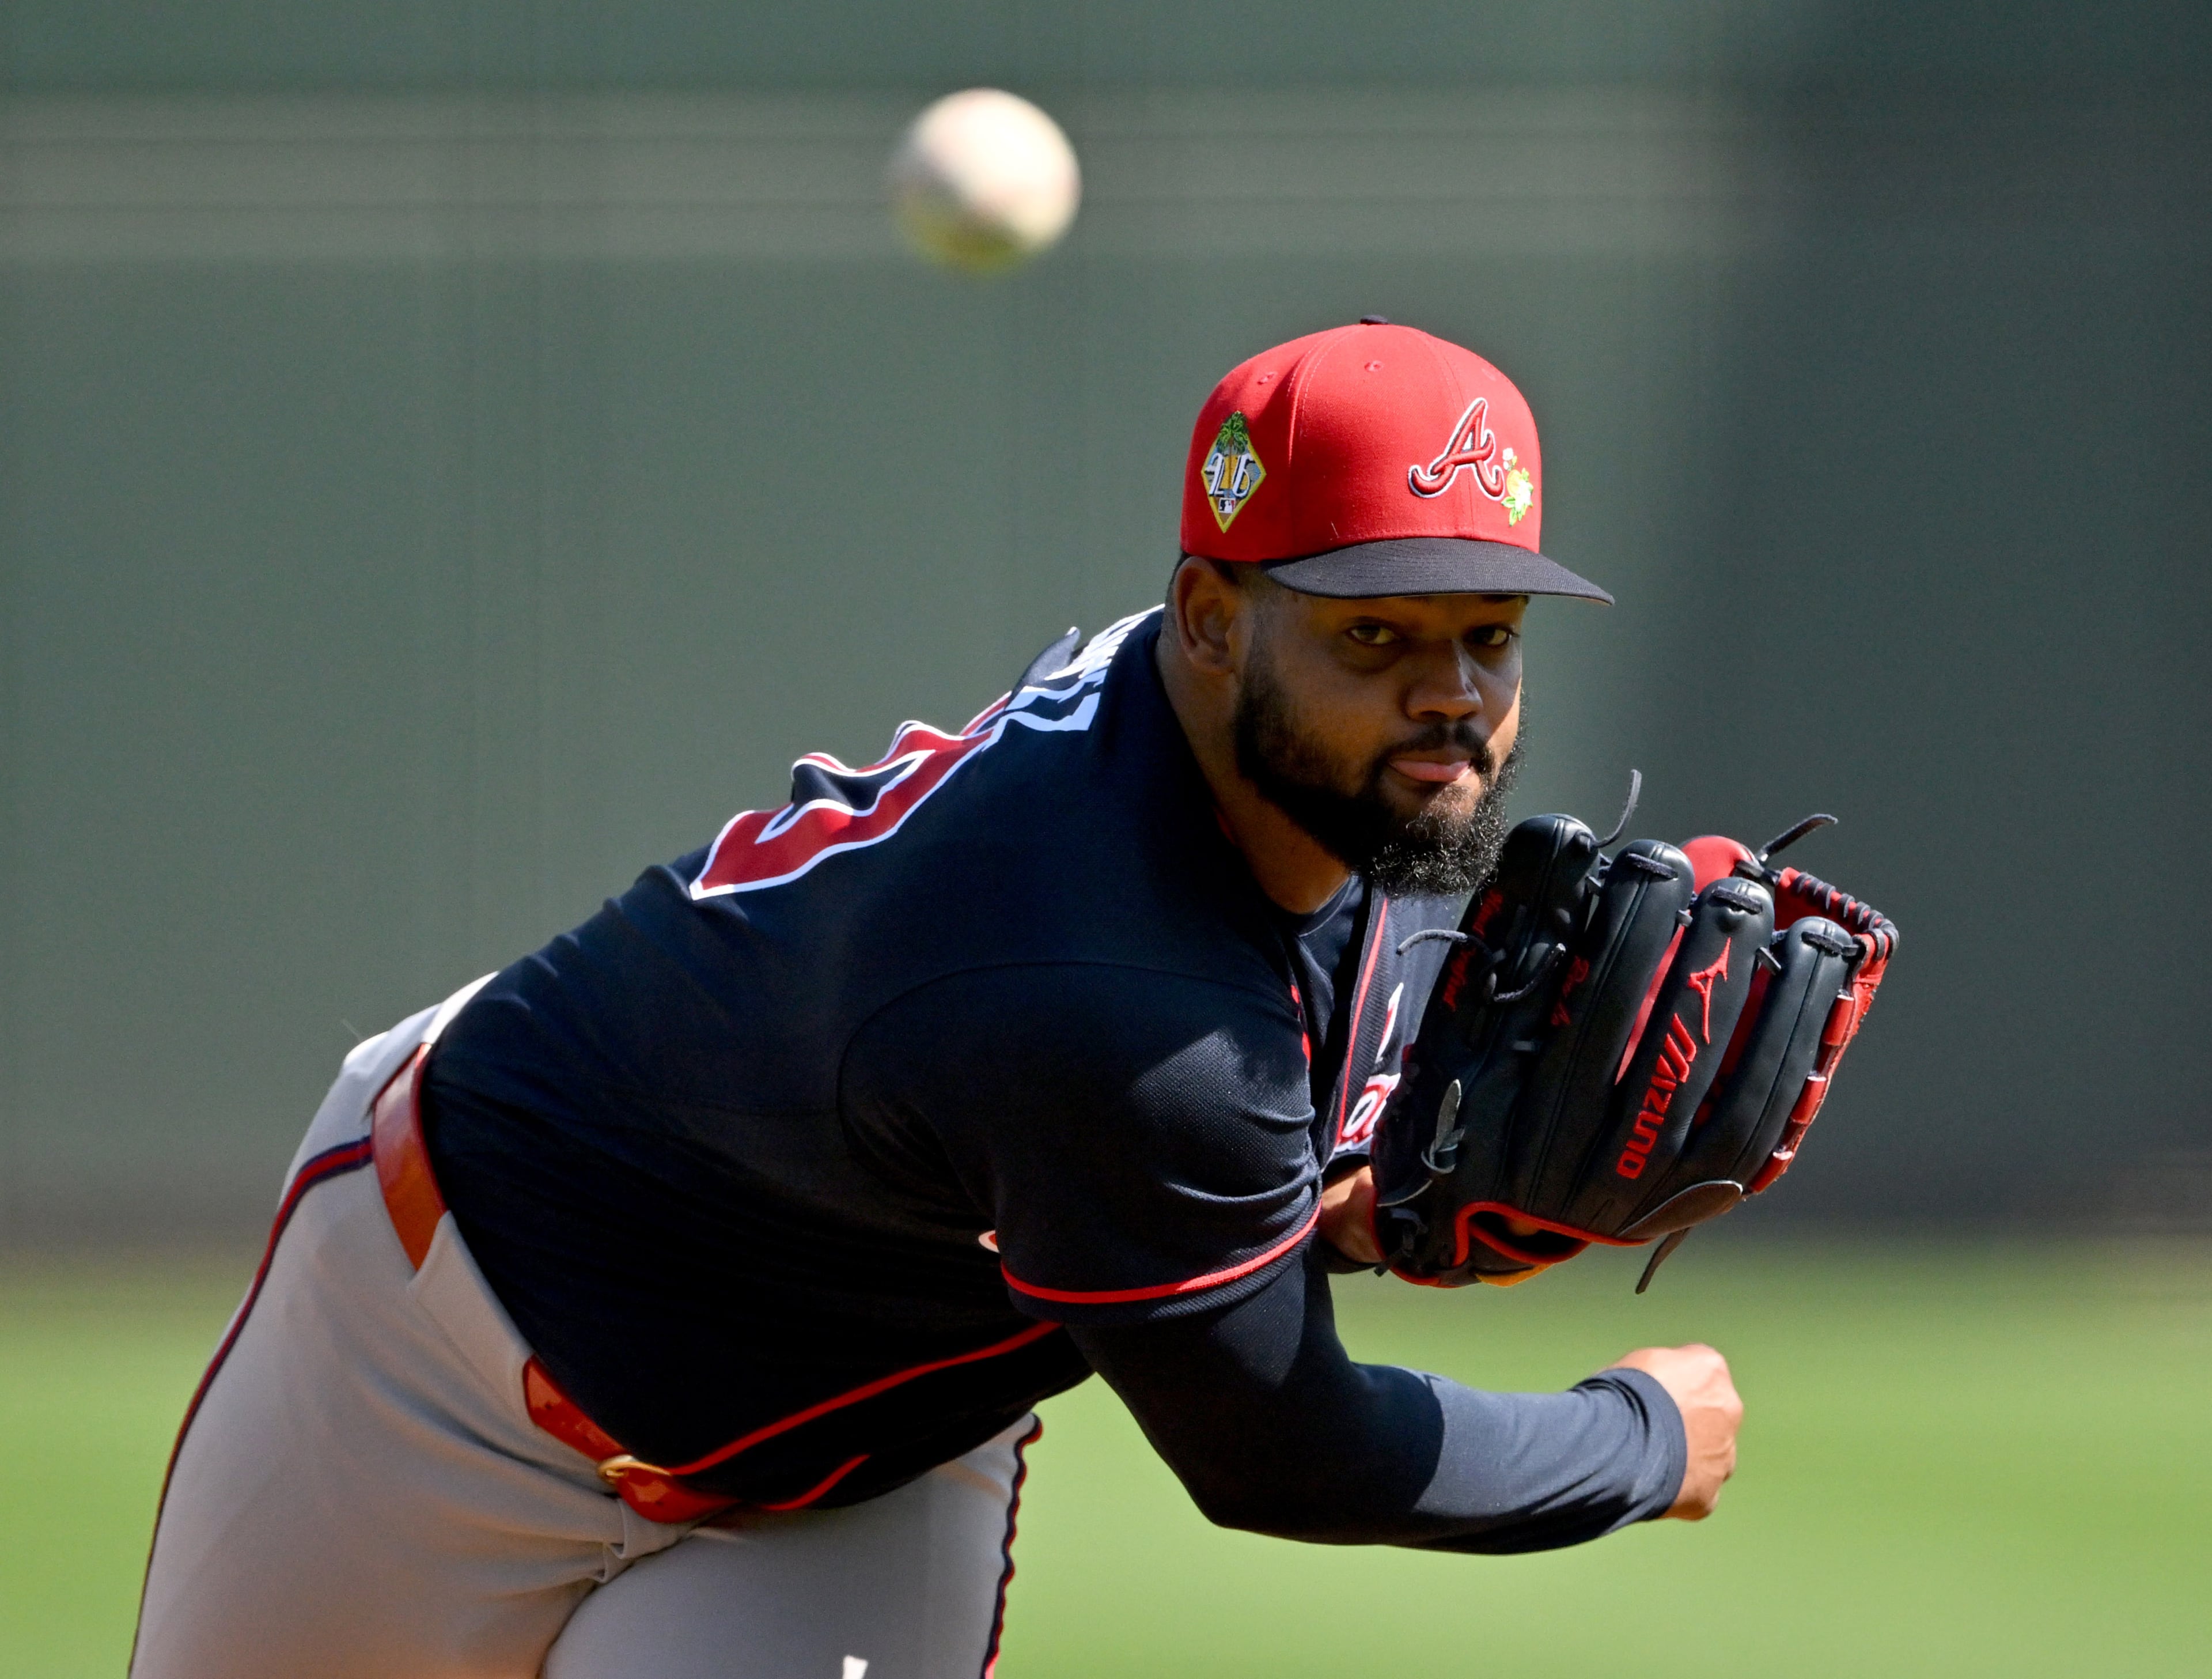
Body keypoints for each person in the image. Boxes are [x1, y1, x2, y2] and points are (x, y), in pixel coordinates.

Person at [132, 320, 1743, 1679]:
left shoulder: (1258, 792)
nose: (1449, 693)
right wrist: (1638, 1436)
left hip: (847, 1488)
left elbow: (1214, 1098)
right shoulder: (1112, 994)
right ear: (1205, 621)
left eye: (1488, 633)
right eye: (1376, 631)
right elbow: (1286, 1448)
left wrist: (1351, 1178)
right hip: (434, 1350)